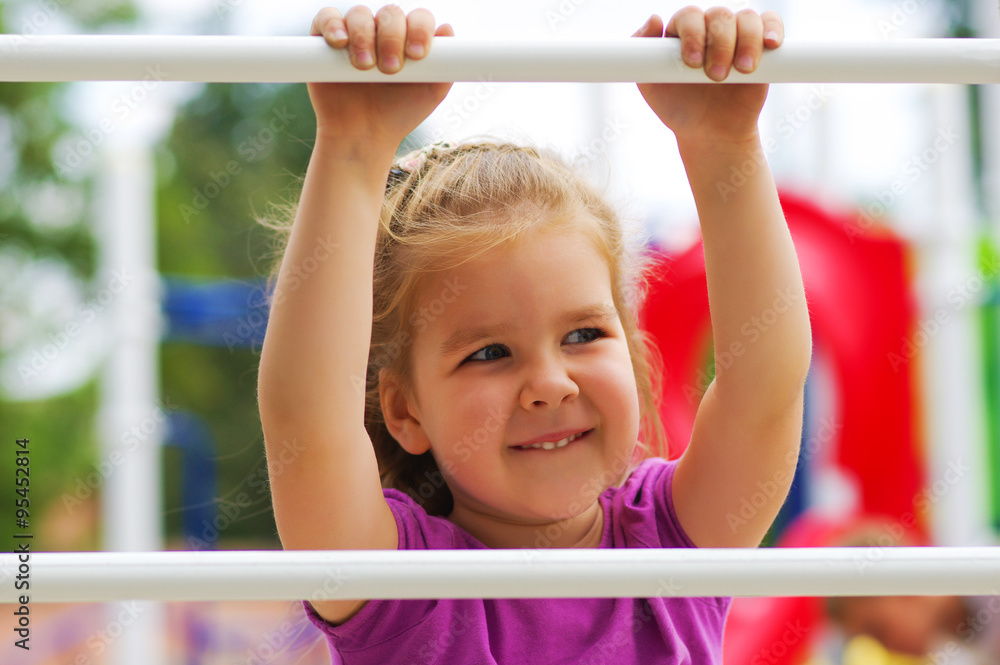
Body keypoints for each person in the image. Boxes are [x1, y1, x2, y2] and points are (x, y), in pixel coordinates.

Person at [257, 4, 812, 664]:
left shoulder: (672, 541)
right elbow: (308, 425)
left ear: (633, 361)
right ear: (405, 409)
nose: (550, 383)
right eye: (489, 352)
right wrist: (352, 148)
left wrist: (725, 145)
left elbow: (764, 393)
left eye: (583, 335)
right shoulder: (400, 587)